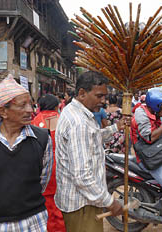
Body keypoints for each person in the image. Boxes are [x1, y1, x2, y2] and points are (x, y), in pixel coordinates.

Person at [0, 74, 53, 231]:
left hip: (33, 221)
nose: (30, 110)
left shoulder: (42, 138)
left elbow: (42, 180)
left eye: (31, 104)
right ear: (3, 112)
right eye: (22, 105)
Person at [55, 71, 125, 232]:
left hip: (82, 201)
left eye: (105, 96)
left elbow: (93, 137)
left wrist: (116, 127)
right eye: (99, 96)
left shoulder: (78, 112)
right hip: (82, 204)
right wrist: (109, 201)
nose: (103, 101)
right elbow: (82, 176)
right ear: (81, 93)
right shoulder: (78, 122)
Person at [132, 87, 162, 232]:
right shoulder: (141, 114)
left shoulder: (151, 111)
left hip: (159, 152)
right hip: (151, 158)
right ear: (156, 106)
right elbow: (149, 137)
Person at [31, 94, 65, 232]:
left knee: (45, 203)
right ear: (56, 106)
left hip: (38, 166)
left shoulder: (34, 120)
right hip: (56, 164)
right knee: (57, 205)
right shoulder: (54, 119)